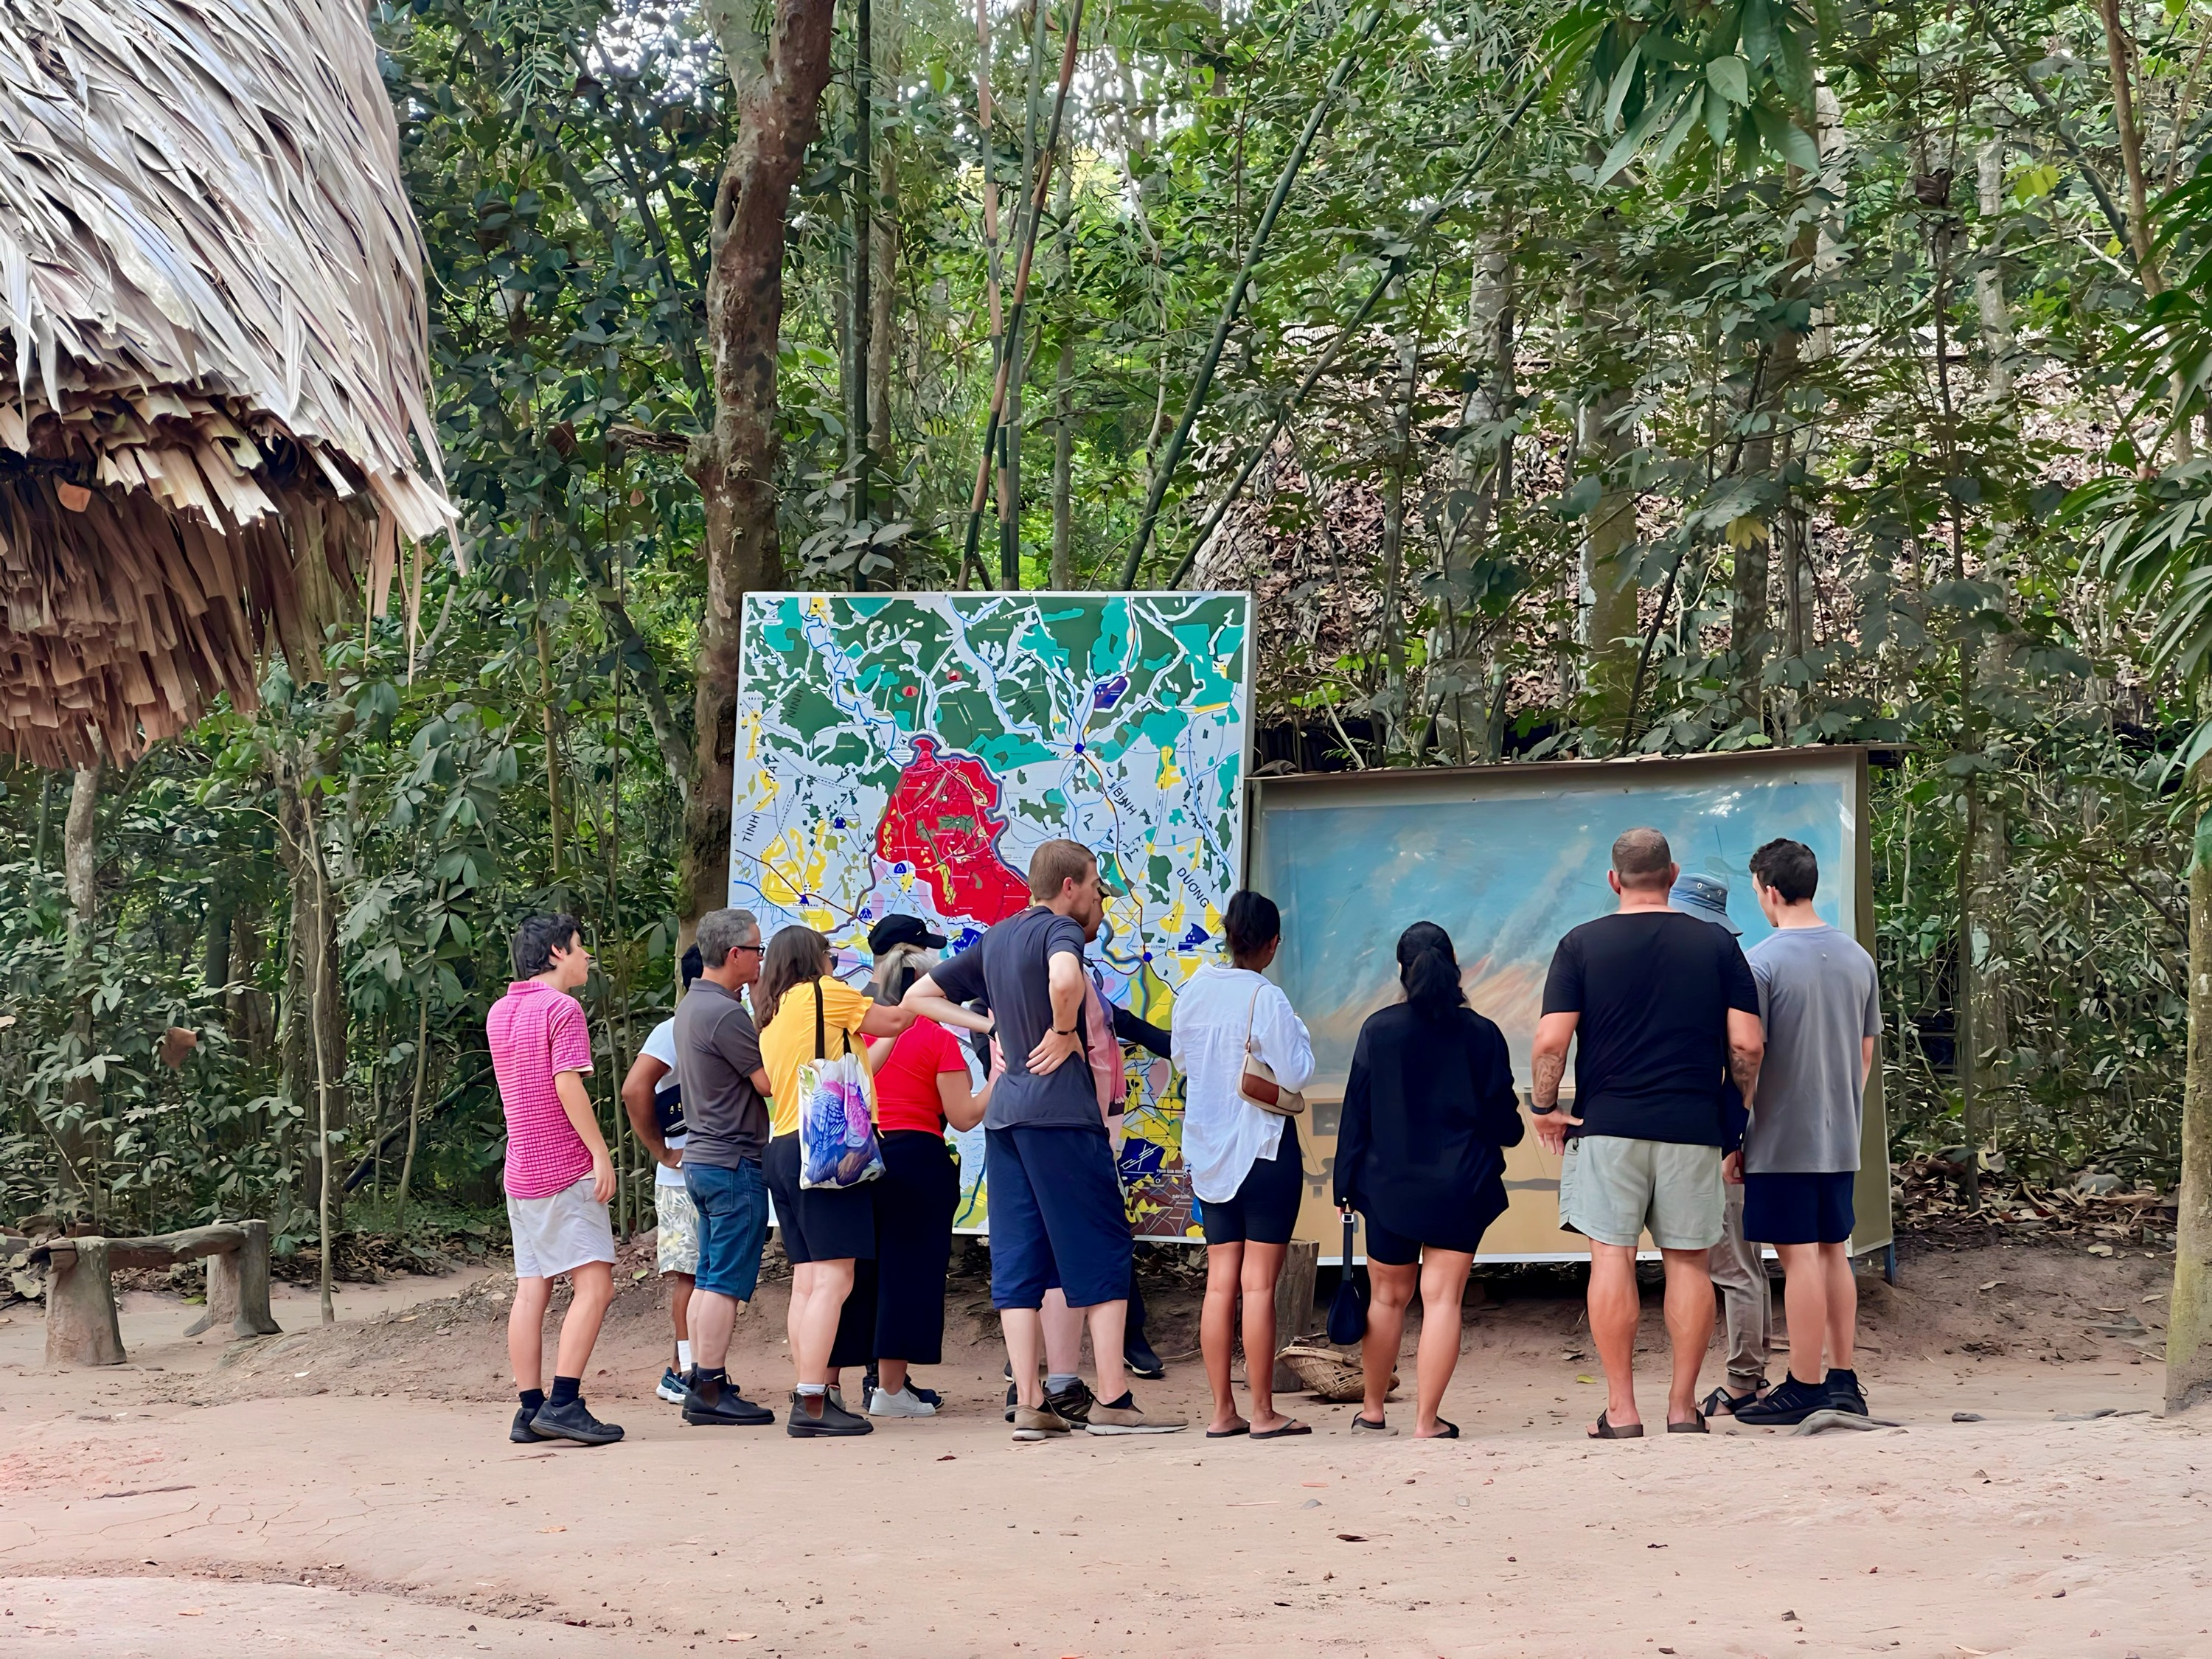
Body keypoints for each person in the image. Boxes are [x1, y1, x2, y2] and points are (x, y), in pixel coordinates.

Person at [904, 838, 1186, 1438]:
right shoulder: (1063, 933)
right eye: (1097, 889)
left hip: (1006, 1119)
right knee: (1103, 1248)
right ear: (1069, 888)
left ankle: (1031, 1402)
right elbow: (1065, 981)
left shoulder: (998, 937)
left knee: (1018, 1258)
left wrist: (990, 1027)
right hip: (1061, 1116)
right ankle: (1111, 1397)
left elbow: (918, 996)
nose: (1100, 904)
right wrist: (1063, 1030)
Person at [1531, 828, 1764, 1439]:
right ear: (1673, 874)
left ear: (1614, 880)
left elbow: (1552, 1042)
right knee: (1689, 1264)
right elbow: (1746, 1044)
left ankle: (1621, 1410)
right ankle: (1684, 1409)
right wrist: (1735, 1116)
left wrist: (1544, 1106)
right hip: (1692, 1129)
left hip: (1608, 1128)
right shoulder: (1716, 945)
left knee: (1612, 1257)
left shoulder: (1581, 944)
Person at [1334, 922, 1523, 1439]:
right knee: (1443, 1299)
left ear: (1402, 970)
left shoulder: (1379, 1029)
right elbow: (1505, 1122)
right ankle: (1425, 1421)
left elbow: (1357, 1114)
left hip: (1388, 1187)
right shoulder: (1482, 1033)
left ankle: (1373, 1411)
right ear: (1454, 966)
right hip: (1460, 1186)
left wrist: (1344, 1186)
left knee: (1387, 1299)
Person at [1731, 838, 1882, 1427]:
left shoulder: (1762, 963)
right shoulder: (1856, 958)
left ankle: (1804, 1383)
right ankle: (1843, 1379)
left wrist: (1739, 1128)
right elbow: (1865, 1054)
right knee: (1833, 1252)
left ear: (1769, 889)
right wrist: (1840, 1105)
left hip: (1782, 1134)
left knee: (1797, 1260)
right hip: (1839, 1131)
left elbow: (1751, 1053)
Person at [756, 925, 917, 1438]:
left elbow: (855, 1064)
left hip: (784, 1148)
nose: (834, 962)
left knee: (807, 1279)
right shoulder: (825, 993)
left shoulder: (774, 1015)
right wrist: (925, 990)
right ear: (814, 958)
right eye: (829, 953)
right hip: (826, 1146)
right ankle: (812, 1402)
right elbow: (894, 1017)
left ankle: (812, 1392)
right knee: (835, 1279)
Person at [1172, 889, 1316, 1439]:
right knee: (1258, 1289)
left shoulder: (1195, 992)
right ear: (1272, 944)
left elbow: (1183, 1059)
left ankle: (1221, 1412)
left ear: (1229, 935)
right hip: (1261, 1150)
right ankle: (1263, 1413)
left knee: (1219, 1286)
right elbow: (1297, 1072)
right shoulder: (1268, 998)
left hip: (1209, 1153)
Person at [490, 914, 622, 1447]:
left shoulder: (501, 1011)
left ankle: (530, 1410)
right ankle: (564, 1403)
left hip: (519, 1168)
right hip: (562, 1166)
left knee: (532, 1289)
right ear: (554, 953)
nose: (587, 955)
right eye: (579, 946)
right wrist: (599, 1153)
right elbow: (566, 1083)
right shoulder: (562, 1008)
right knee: (596, 1285)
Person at [862, 914, 993, 1416]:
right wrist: (1000, 1078)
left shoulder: (857, 1026)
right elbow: (962, 1116)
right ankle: (891, 1391)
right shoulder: (935, 1037)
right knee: (908, 1273)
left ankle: (835, 1386)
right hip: (917, 1160)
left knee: (855, 1273)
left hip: (861, 1157)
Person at [1666, 874, 1773, 1419]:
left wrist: (1736, 1132)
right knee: (1742, 1262)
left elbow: (1744, 1055)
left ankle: (1742, 1381)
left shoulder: (1724, 975)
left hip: (1720, 1136)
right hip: (1728, 1130)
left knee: (1732, 1266)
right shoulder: (1729, 968)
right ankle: (1750, 1371)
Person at [673, 908, 779, 1429]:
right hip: (734, 1159)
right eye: (757, 949)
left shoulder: (694, 1005)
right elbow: (767, 1082)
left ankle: (699, 1376)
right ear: (735, 954)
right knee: (725, 1283)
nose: (762, 957)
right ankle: (710, 1386)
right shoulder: (725, 1014)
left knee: (710, 1273)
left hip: (702, 1157)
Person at [622, 944, 706, 1405]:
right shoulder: (671, 1031)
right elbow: (635, 1088)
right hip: (681, 1175)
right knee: (689, 1276)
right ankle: (682, 1371)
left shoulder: (728, 1024)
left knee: (708, 1276)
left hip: (717, 1167)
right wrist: (660, 1149)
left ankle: (694, 1368)